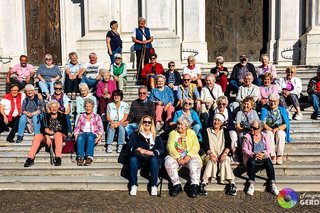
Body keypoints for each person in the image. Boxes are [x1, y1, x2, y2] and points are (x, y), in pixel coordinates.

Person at [199, 113, 237, 196]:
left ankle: (232, 183)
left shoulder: (225, 131)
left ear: (222, 123)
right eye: (215, 120)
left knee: (225, 160)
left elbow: (228, 145)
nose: (216, 122)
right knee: (210, 160)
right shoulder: (206, 130)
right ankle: (204, 182)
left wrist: (224, 154)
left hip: (222, 154)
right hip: (210, 154)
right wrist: (211, 154)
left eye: (218, 120)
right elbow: (205, 145)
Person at [127, 115, 164, 196]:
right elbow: (129, 147)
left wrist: (152, 152)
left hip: (152, 158)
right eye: (145, 122)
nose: (147, 124)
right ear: (142, 123)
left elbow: (161, 150)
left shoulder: (156, 135)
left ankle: (153, 185)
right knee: (132, 159)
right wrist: (138, 149)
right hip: (139, 158)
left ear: (152, 124)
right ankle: (133, 184)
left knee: (154, 159)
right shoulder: (136, 133)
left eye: (149, 122)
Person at [165, 117, 202, 198]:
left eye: (181, 124)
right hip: (177, 157)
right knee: (168, 161)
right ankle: (177, 185)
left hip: (189, 156)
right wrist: (178, 158)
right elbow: (169, 146)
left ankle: (195, 186)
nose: (179, 126)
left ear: (186, 126)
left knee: (195, 163)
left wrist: (188, 156)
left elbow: (196, 145)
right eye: (178, 124)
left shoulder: (191, 132)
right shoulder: (173, 133)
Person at [24, 100, 68, 167]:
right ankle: (30, 158)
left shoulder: (62, 116)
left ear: (58, 107)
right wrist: (47, 136)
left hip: (59, 135)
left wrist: (54, 133)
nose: (54, 109)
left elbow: (65, 129)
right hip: (48, 136)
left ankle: (58, 158)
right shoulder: (46, 116)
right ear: (49, 108)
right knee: (37, 136)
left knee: (58, 134)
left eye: (55, 107)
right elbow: (42, 129)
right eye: (52, 107)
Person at [242, 119, 279, 196]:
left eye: (254, 128)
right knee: (252, 162)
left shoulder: (265, 136)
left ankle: (272, 184)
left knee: (268, 162)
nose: (252, 129)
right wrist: (253, 154)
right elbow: (244, 149)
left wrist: (263, 154)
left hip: (263, 156)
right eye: (251, 127)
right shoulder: (247, 136)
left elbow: (269, 149)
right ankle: (251, 184)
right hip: (251, 157)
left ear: (260, 129)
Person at [260, 93, 291, 165]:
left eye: (275, 101)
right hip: (268, 129)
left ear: (278, 101)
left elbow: (286, 124)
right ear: (268, 101)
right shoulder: (264, 109)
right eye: (271, 101)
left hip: (279, 129)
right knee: (268, 134)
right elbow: (262, 123)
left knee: (281, 133)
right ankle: (272, 155)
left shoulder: (282, 110)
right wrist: (271, 130)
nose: (273, 103)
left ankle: (279, 155)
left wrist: (277, 129)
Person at [208, 96, 238, 163]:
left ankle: (234, 154)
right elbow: (209, 125)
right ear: (217, 104)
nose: (221, 105)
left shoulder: (228, 112)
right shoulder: (213, 113)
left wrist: (225, 128)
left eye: (223, 104)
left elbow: (232, 125)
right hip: (216, 130)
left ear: (226, 104)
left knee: (233, 134)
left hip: (226, 129)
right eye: (219, 104)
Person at [74, 99, 104, 166]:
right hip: (83, 133)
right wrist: (76, 135)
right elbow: (77, 128)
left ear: (92, 107)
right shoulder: (81, 116)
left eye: (89, 106)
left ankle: (89, 157)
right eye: (86, 106)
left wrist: (99, 137)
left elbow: (101, 128)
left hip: (93, 133)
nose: (88, 108)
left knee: (90, 137)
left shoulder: (97, 116)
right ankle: (80, 157)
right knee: (80, 137)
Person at [132, 17, 154, 81]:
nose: (142, 23)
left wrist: (146, 41)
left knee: (146, 61)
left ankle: (146, 74)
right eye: (140, 22)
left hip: (147, 46)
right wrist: (141, 42)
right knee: (139, 61)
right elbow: (133, 39)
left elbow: (151, 38)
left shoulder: (148, 29)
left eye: (143, 22)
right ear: (138, 23)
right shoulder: (136, 30)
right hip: (139, 47)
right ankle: (139, 75)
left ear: (145, 23)